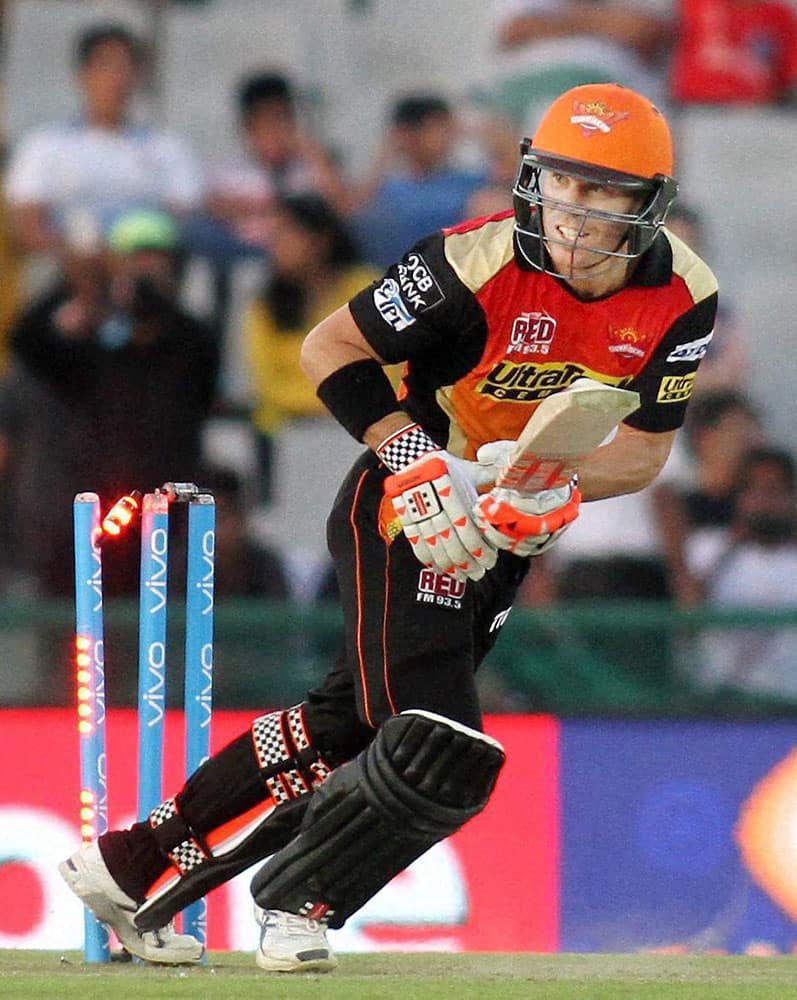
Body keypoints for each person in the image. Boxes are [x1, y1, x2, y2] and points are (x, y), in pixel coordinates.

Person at [59, 83, 718, 972]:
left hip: (500, 526)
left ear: (648, 204)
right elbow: (328, 349)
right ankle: (302, 905)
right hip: (402, 500)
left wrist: (556, 487)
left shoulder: (683, 293)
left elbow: (640, 454)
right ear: (532, 177)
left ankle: (129, 862)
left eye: (603, 192)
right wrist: (415, 461)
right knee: (435, 739)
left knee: (345, 725)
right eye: (562, 182)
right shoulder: (471, 261)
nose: (573, 213)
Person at [4, 208, 218, 596]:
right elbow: (28, 338)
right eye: (135, 261)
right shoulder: (94, 344)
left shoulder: (190, 344)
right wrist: (79, 284)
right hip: (87, 516)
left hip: (165, 517)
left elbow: (193, 356)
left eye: (157, 261)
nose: (146, 273)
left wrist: (143, 307)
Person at [5, 22, 203, 260]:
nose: (117, 78)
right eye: (106, 66)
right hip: (71, 265)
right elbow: (27, 227)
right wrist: (86, 254)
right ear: (83, 75)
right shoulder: (44, 145)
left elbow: (182, 217)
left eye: (125, 67)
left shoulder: (168, 147)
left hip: (146, 264)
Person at [243, 193, 381, 502]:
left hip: (358, 428)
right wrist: (331, 400)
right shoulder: (265, 305)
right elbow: (268, 385)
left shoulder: (365, 288)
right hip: (286, 432)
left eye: (286, 233)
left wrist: (340, 406)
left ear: (320, 239)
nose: (275, 244)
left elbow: (392, 369)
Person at [686, 445, 797, 699]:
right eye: (753, 491)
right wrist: (731, 546)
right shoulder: (707, 547)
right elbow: (686, 617)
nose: (764, 502)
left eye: (774, 491)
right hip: (722, 700)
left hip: (788, 702)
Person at [350, 94, 492, 267]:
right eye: (435, 128)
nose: (446, 136)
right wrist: (387, 153)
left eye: (447, 127)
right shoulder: (388, 190)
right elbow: (353, 213)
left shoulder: (468, 181)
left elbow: (514, 178)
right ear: (408, 134)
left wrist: (476, 129)